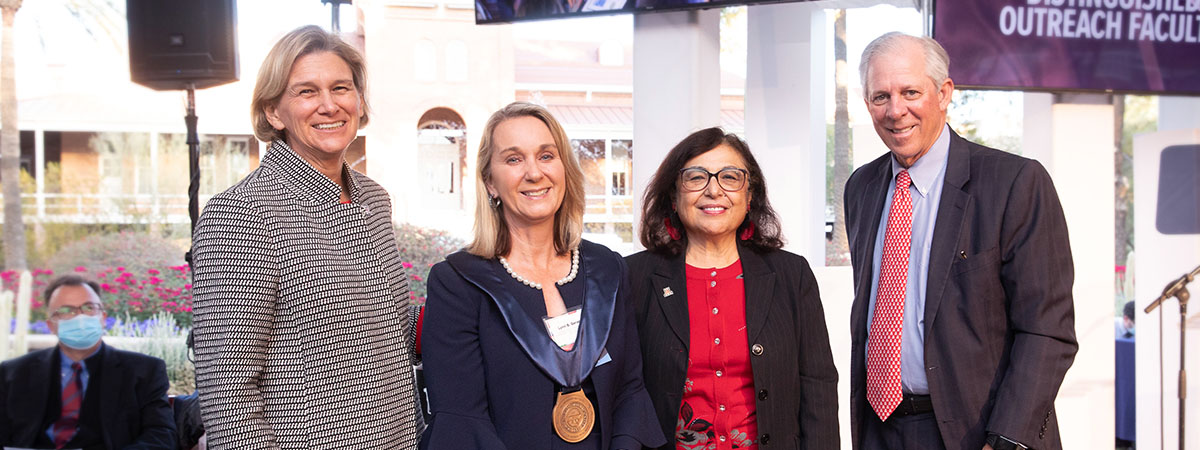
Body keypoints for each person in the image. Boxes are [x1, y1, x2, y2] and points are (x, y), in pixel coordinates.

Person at [191, 25, 423, 449]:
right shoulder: (242, 213)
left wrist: (481, 296)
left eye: (341, 88)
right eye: (306, 92)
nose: (329, 105)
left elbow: (393, 330)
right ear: (274, 112)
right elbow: (229, 399)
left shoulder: (373, 199)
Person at [844, 32, 1077, 450]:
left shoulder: (1015, 184)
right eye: (881, 96)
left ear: (944, 92)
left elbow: (1047, 330)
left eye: (910, 92)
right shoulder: (860, 188)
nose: (896, 111)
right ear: (867, 104)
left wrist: (1005, 440)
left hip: (976, 433)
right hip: (878, 430)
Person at [419, 101, 665, 450]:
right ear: (490, 181)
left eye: (546, 155)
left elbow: (629, 391)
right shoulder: (457, 284)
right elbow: (463, 421)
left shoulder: (608, 269)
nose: (534, 172)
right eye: (514, 159)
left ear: (564, 168)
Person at [627, 127, 839, 449]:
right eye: (696, 178)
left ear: (750, 195)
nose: (714, 191)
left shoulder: (790, 274)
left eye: (730, 177)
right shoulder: (634, 277)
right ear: (673, 195)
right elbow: (623, 392)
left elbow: (818, 387)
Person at [0, 275, 176, 449]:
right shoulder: (12, 373)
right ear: (51, 326)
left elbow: (161, 435)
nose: (80, 318)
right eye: (67, 311)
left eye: (89, 308)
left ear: (103, 317)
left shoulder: (145, 371)